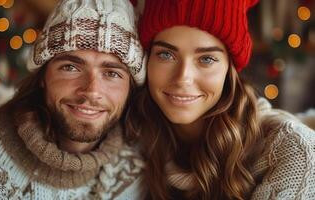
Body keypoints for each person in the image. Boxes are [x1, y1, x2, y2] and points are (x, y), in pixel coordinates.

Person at [126, 0, 315, 199]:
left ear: (229, 68)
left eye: (206, 59)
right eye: (166, 54)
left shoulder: (295, 153)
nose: (183, 78)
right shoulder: (129, 135)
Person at [0, 0, 146, 199]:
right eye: (71, 67)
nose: (92, 91)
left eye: (112, 73)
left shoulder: (136, 173)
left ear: (130, 88)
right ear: (42, 77)